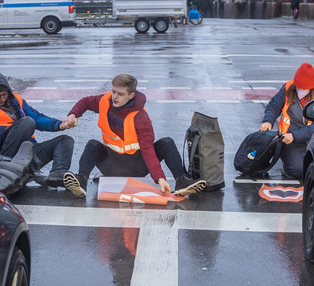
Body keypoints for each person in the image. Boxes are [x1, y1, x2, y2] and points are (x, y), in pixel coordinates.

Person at [62, 73, 206, 198]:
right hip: (111, 165)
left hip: (137, 166)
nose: (115, 97)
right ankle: (81, 181)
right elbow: (86, 102)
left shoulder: (140, 118)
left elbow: (148, 149)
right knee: (93, 144)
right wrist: (73, 115)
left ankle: (181, 181)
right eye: (113, 92)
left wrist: (159, 178)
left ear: (131, 95)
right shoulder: (105, 101)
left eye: (120, 94)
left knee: (166, 143)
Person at [0, 71, 77, 190]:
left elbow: (37, 117)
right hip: (3, 160)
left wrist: (60, 125)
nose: (2, 99)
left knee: (65, 140)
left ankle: (58, 174)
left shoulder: (16, 101)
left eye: (4, 94)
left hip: (27, 156)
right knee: (27, 123)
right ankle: (8, 170)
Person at [260, 62, 314, 180]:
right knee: (299, 170)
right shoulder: (288, 87)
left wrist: (295, 135)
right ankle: (288, 160)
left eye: (304, 88)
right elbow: (273, 106)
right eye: (298, 87)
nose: (300, 91)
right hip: (289, 141)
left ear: (312, 88)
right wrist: (267, 121)